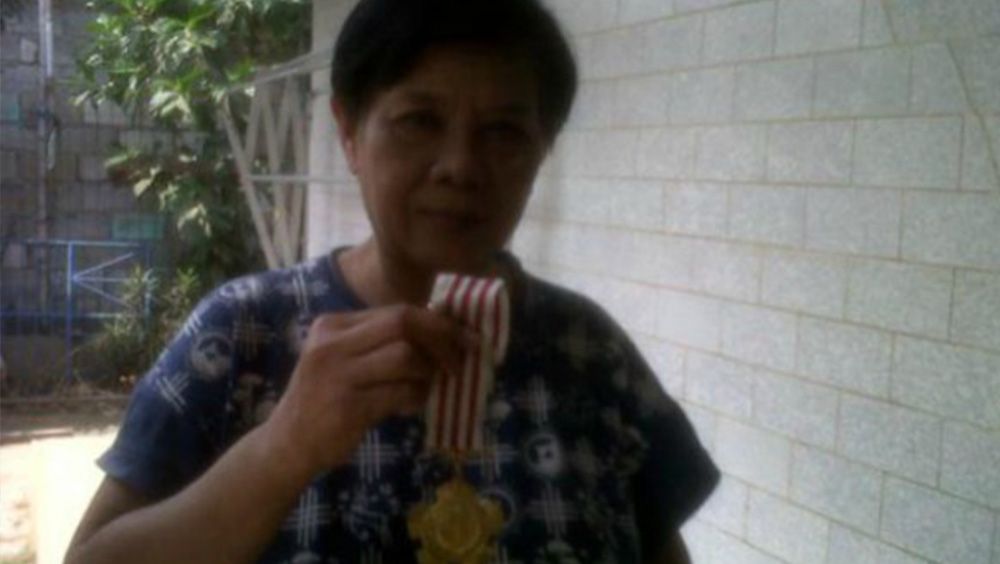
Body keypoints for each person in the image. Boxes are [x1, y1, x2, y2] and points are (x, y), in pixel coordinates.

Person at [66, 0, 719, 562]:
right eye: (419, 122)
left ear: (541, 149)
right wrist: (282, 449)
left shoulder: (591, 354)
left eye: (504, 132)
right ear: (350, 133)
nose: (460, 166)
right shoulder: (242, 334)